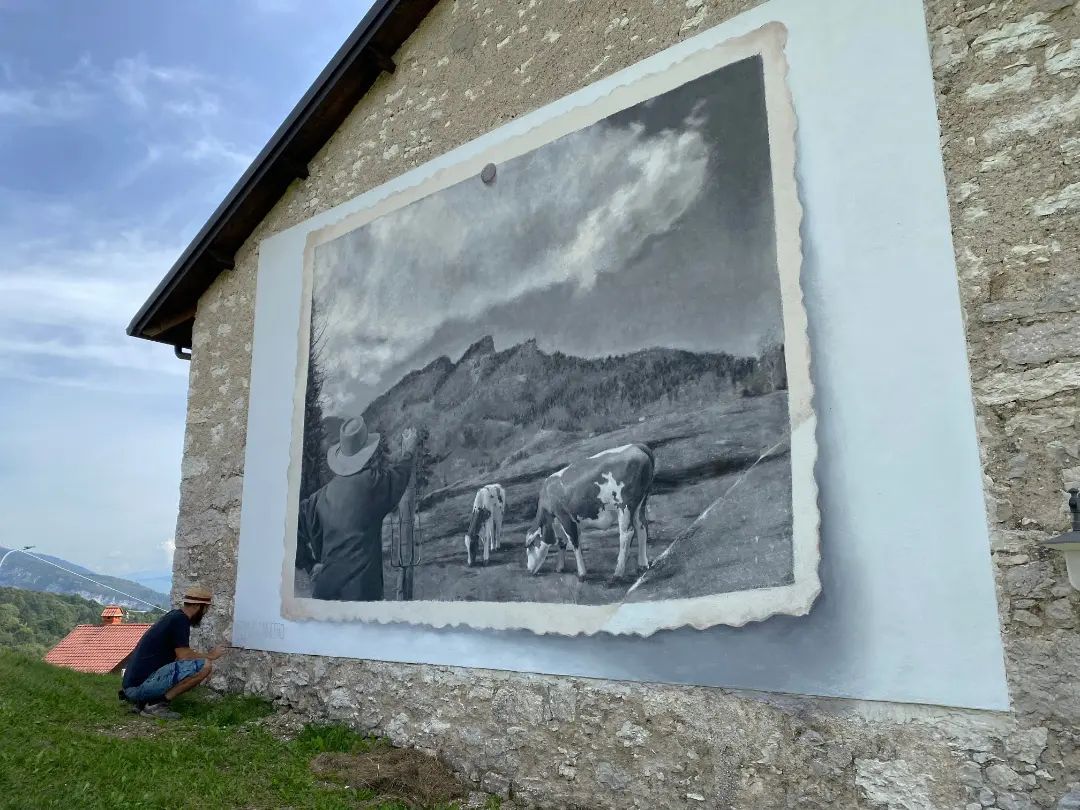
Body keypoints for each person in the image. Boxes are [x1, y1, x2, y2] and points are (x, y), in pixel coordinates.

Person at [297, 418, 417, 601]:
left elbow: (292, 527)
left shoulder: (320, 497)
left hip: (324, 595)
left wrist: (310, 564)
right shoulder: (373, 483)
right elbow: (400, 474)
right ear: (368, 452)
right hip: (362, 595)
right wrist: (408, 451)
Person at [119, 584, 226, 719]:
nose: (205, 613)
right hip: (137, 690)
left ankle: (145, 701)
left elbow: (178, 655)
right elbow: (184, 655)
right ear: (198, 606)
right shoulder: (181, 620)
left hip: (130, 688)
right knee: (205, 666)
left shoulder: (174, 616)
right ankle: (155, 705)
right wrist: (211, 656)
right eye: (206, 609)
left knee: (197, 665)